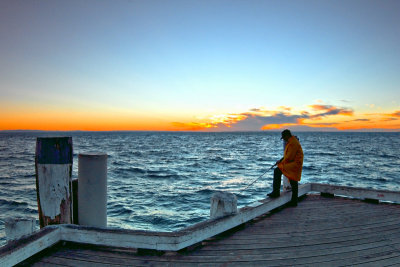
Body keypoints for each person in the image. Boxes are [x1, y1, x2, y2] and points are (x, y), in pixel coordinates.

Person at [267, 129, 303, 206]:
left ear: (287, 136)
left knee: (278, 171)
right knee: (293, 181)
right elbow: (287, 156)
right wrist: (280, 160)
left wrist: (280, 163)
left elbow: (289, 157)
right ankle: (294, 201)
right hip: (293, 164)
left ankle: (276, 192)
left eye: (283, 138)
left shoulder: (293, 143)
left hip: (294, 164)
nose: (284, 139)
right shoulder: (291, 141)